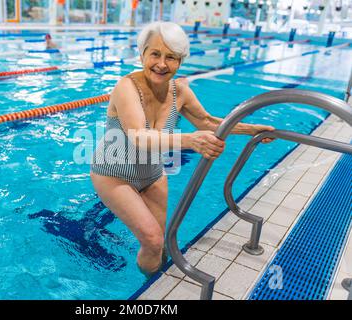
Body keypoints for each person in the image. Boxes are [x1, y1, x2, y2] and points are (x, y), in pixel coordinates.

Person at [90, 21, 274, 277]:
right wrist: (189, 141)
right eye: (155, 54)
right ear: (142, 54)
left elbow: (208, 122)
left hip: (153, 175)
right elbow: (138, 136)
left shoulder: (180, 91)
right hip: (113, 174)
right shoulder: (127, 87)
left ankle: (152, 284)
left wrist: (252, 129)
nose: (162, 64)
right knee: (152, 239)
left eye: (171, 57)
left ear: (181, 61)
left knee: (160, 244)